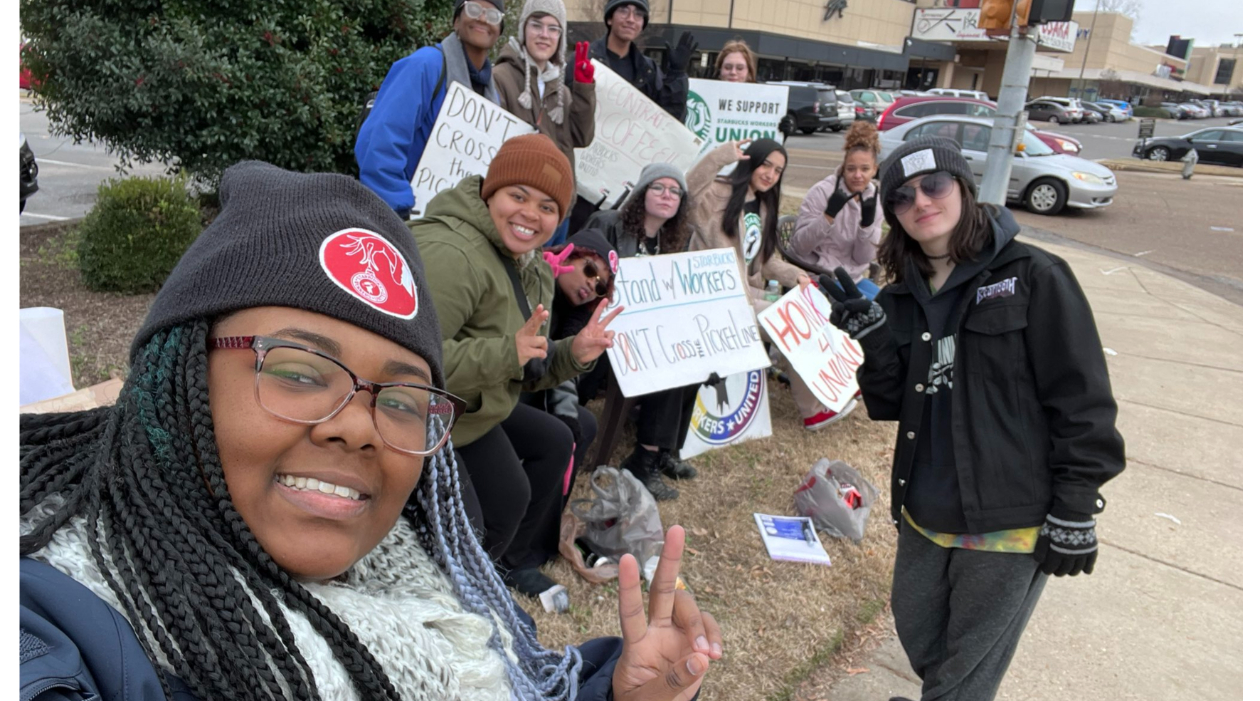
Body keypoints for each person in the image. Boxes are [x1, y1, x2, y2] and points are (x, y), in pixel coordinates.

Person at [19, 160, 724, 701]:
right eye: (298, 370)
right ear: (176, 385)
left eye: (401, 398)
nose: (358, 426)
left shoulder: (430, 580)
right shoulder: (61, 637)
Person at [819, 137, 1126, 701]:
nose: (921, 202)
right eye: (903, 196)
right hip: (925, 509)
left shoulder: (1033, 274)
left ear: (962, 188)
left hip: (1008, 518)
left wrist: (1077, 505)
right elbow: (891, 404)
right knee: (923, 640)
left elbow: (1082, 399)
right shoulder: (899, 301)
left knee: (965, 674)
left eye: (934, 185)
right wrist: (875, 342)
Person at [409, 134, 622, 602]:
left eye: (548, 206)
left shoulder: (532, 266)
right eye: (517, 195)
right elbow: (410, 364)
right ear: (490, 192)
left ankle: (486, 576)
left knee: (542, 456)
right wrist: (508, 352)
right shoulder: (453, 253)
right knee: (495, 510)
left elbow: (528, 369)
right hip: (422, 419)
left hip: (475, 405)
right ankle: (444, 592)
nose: (530, 214)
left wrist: (572, 353)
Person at [686, 138, 846, 430]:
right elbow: (690, 189)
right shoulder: (718, 195)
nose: (771, 174)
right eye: (766, 165)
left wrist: (795, 276)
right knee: (792, 326)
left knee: (812, 316)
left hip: (747, 293)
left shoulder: (761, 205)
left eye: (778, 170)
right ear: (751, 161)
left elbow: (766, 262)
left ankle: (835, 387)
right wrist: (721, 156)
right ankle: (812, 410)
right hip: (718, 299)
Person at [578, 163, 700, 500]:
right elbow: (581, 272)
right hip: (603, 325)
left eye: (675, 191)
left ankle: (659, 452)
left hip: (646, 331)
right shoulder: (609, 224)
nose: (667, 195)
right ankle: (644, 461)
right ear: (642, 192)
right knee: (665, 361)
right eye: (658, 187)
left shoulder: (676, 238)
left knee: (690, 358)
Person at [355, 0, 507, 219]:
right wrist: (400, 210)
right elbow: (379, 143)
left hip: (450, 225)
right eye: (473, 9)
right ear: (456, 20)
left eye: (493, 16)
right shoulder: (424, 65)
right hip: (405, 219)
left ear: (499, 31)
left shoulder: (492, 96)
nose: (482, 18)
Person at [564, 0, 696, 232]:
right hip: (581, 178)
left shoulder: (648, 69)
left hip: (621, 186)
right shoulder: (585, 58)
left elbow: (669, 124)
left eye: (638, 14)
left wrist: (676, 75)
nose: (630, 18)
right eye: (623, 10)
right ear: (609, 18)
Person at [492, 0, 597, 246]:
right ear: (523, 30)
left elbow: (582, 137)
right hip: (521, 211)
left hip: (559, 210)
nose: (544, 35)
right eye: (536, 25)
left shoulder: (561, 89)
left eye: (553, 29)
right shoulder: (501, 78)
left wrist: (583, 90)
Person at [791, 121, 883, 300]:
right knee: (869, 311)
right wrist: (827, 216)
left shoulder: (874, 200)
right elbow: (799, 247)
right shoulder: (821, 192)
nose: (858, 175)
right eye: (851, 169)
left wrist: (866, 227)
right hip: (820, 275)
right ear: (843, 167)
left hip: (853, 278)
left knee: (889, 308)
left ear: (874, 170)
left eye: (865, 169)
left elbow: (862, 258)